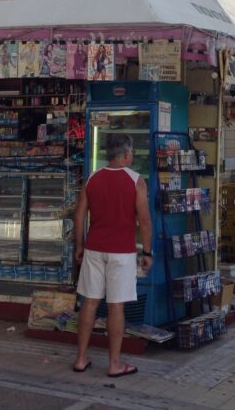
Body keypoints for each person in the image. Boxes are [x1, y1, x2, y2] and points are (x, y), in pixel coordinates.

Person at [72, 133, 153, 377]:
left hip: (94, 249)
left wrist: (79, 245)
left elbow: (78, 216)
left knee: (90, 302)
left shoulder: (92, 179)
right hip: (122, 252)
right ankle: (114, 363)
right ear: (127, 154)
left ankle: (81, 358)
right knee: (116, 306)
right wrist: (147, 251)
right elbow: (145, 221)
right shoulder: (136, 181)